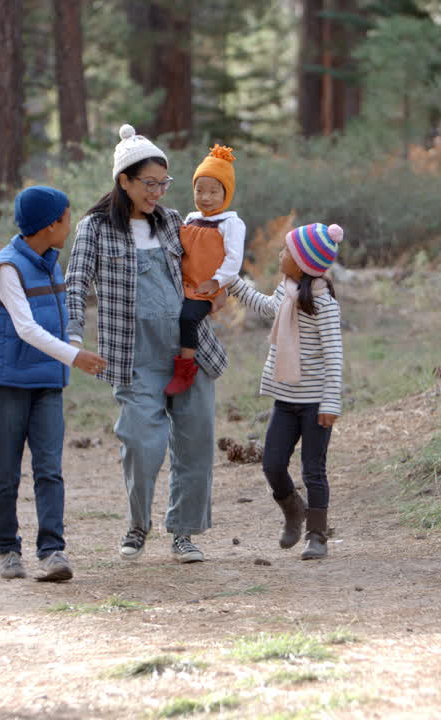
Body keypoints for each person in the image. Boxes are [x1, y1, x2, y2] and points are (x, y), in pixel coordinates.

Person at [65, 124, 228, 563]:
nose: (158, 192)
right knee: (142, 442)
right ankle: (139, 523)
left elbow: (208, 270)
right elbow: (76, 282)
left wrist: (223, 293)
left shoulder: (175, 222)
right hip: (134, 357)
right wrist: (74, 337)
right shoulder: (94, 228)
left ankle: (184, 532)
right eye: (149, 184)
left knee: (195, 443)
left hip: (188, 351)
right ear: (124, 181)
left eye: (163, 183)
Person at [0, 186, 108, 582]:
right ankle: (7, 550)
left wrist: (74, 343)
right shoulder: (6, 269)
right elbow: (26, 329)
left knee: (49, 469)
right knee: (6, 472)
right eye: (67, 218)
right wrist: (75, 357)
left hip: (48, 382)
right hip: (9, 383)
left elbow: (64, 314)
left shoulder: (50, 261)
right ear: (50, 224)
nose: (69, 226)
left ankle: (52, 552)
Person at [227, 223, 344, 560]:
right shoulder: (287, 290)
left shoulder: (324, 304)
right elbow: (265, 306)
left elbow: (334, 354)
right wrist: (233, 282)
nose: (281, 255)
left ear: (304, 262)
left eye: (286, 251)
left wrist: (331, 400)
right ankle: (294, 508)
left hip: (314, 403)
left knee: (313, 469)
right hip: (285, 398)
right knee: (272, 464)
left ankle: (317, 535)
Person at [165, 144, 245, 396]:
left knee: (188, 318)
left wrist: (217, 282)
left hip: (206, 287)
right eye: (200, 190)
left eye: (213, 191)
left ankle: (185, 369)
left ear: (226, 194)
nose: (205, 197)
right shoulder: (189, 218)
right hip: (184, 281)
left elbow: (234, 259)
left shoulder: (230, 223)